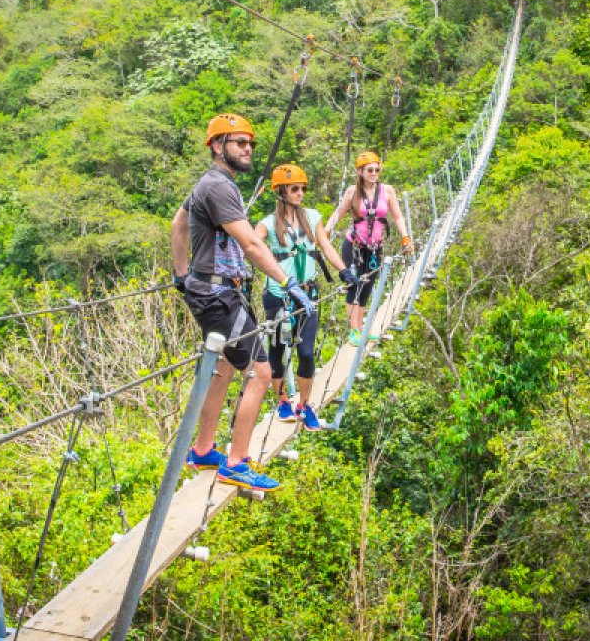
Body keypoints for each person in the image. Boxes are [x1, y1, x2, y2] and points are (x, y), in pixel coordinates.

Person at [171, 113, 315, 492]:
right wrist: (289, 282)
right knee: (262, 373)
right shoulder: (218, 187)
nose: (248, 149)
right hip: (220, 296)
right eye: (238, 142)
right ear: (217, 147)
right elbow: (251, 244)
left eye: (249, 143)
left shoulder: (212, 184)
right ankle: (236, 462)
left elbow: (178, 223)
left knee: (223, 367)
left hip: (212, 291)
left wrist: (182, 274)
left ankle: (203, 450)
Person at [255, 164, 357, 432]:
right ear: (280, 192)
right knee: (277, 350)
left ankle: (305, 404)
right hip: (278, 295)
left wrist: (343, 270)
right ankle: (282, 401)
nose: (300, 193)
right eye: (294, 189)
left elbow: (325, 245)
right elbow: (252, 246)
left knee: (306, 353)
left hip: (308, 295)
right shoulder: (266, 224)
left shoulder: (312, 217)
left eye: (302, 188)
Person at [325, 151, 413, 345]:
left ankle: (361, 328)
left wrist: (405, 237)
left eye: (377, 169)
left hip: (375, 248)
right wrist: (326, 231)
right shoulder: (352, 192)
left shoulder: (387, 191)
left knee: (367, 287)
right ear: (360, 172)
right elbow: (337, 214)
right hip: (354, 245)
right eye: (370, 170)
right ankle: (354, 330)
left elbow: (397, 216)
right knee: (353, 284)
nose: (374, 173)